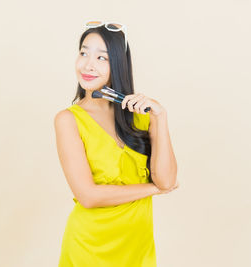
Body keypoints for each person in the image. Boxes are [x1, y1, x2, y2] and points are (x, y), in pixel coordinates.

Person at [54, 21, 179, 267]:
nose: (88, 65)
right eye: (83, 53)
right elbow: (88, 196)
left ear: (119, 65)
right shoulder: (68, 120)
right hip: (88, 249)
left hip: (137, 247)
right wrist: (154, 190)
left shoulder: (142, 115)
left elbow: (167, 179)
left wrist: (160, 117)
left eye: (102, 58)